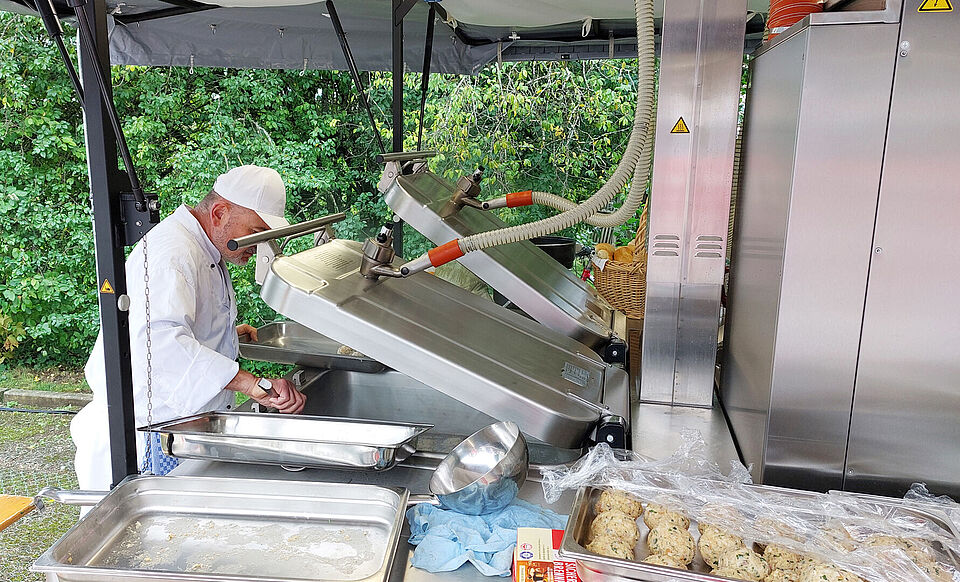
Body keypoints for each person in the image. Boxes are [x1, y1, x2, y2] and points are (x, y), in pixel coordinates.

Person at [71, 165, 306, 491]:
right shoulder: (173, 252)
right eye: (256, 230)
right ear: (221, 212)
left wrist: (224, 335)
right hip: (150, 434)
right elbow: (160, 345)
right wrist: (254, 385)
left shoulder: (204, 247)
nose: (258, 243)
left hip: (181, 428)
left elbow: (176, 324)